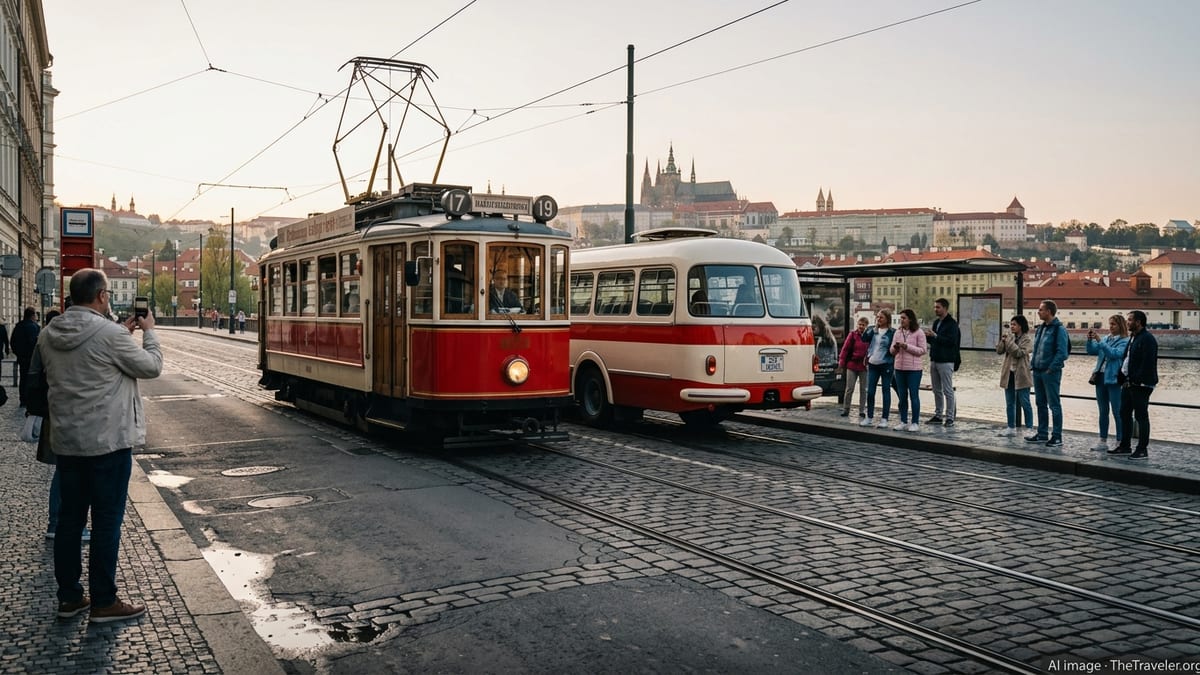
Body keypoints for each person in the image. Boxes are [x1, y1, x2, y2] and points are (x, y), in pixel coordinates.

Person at [39, 269, 163, 623]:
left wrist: (119, 333)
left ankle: (70, 598)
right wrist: (148, 331)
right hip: (108, 443)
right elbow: (151, 367)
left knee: (69, 522)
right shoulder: (109, 335)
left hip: (68, 442)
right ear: (102, 296)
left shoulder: (49, 334)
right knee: (107, 523)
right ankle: (104, 602)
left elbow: (82, 360)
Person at [1109, 310, 1158, 460]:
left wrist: (1135, 379)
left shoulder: (1147, 339)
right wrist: (1123, 378)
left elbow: (1147, 362)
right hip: (1129, 382)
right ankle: (1125, 446)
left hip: (1141, 384)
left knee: (1141, 416)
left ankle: (1142, 449)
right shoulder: (1134, 337)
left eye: (1130, 320)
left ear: (1138, 322)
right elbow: (1127, 360)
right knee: (1124, 413)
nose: (1127, 322)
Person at [1026, 300, 1070, 447]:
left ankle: (1057, 436)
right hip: (1038, 371)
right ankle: (1042, 433)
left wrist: (1051, 368)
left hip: (1050, 372)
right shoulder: (1040, 328)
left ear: (1049, 312)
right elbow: (1037, 348)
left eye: (1041, 310)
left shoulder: (1059, 329)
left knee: (1054, 404)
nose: (1038, 312)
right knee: (1040, 404)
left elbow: (1062, 352)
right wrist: (1033, 365)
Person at [1086, 314, 1129, 452]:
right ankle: (1102, 440)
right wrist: (1090, 340)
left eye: (1114, 324)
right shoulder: (1106, 339)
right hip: (1100, 377)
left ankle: (1120, 441)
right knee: (1103, 411)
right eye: (1110, 324)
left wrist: (1100, 341)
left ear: (1121, 326)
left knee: (1118, 411)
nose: (1110, 327)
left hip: (1114, 378)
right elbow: (1092, 351)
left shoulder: (1125, 341)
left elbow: (1113, 354)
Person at [889, 308, 927, 432]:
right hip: (899, 368)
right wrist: (895, 348)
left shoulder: (919, 332)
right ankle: (903, 421)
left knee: (913, 395)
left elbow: (922, 350)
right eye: (900, 318)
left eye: (904, 318)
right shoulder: (897, 332)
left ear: (910, 319)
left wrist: (907, 347)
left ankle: (915, 422)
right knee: (902, 395)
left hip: (914, 369)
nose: (901, 321)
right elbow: (891, 351)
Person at [924, 297, 961, 427]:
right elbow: (936, 341)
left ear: (945, 308)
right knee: (936, 390)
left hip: (946, 360)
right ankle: (938, 415)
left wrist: (935, 336)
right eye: (935, 307)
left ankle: (950, 417)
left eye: (938, 307)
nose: (935, 309)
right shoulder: (936, 322)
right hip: (934, 359)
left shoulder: (952, 324)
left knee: (947, 389)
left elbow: (951, 342)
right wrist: (929, 337)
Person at [996, 315, 1034, 437]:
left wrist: (1008, 342)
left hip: (1022, 375)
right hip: (1009, 374)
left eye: (1014, 324)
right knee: (1010, 402)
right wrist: (1002, 341)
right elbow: (999, 351)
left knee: (1025, 402)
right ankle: (1010, 427)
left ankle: (1029, 428)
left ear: (1021, 326)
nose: (1011, 327)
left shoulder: (1027, 340)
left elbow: (1018, 353)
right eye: (1011, 324)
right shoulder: (1010, 337)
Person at [860, 309, 895, 429]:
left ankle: (884, 419)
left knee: (886, 390)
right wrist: (867, 330)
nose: (878, 319)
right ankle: (869, 417)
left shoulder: (892, 332)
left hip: (886, 364)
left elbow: (894, 349)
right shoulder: (872, 330)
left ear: (887, 319)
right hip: (873, 364)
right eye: (878, 317)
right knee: (870, 391)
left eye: (881, 317)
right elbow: (864, 339)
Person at [837, 316, 870, 419]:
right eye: (859, 324)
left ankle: (862, 410)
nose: (861, 326)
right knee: (849, 388)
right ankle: (846, 409)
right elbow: (845, 349)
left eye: (863, 325)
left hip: (864, 366)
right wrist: (841, 362)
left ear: (866, 326)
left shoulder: (869, 336)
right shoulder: (852, 335)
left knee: (863, 389)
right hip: (852, 364)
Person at [11, 307, 40, 407]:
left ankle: (22, 399)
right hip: (31, 358)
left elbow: (13, 342)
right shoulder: (34, 327)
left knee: (23, 378)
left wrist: (18, 353)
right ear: (32, 315)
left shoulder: (18, 326)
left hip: (22, 357)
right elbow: (36, 343)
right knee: (32, 379)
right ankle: (29, 399)